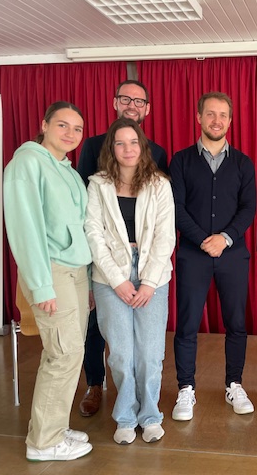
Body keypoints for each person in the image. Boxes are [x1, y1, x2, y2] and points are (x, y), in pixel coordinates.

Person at [4, 101, 93, 461]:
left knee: (69, 353)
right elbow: (26, 230)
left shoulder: (68, 170)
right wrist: (42, 287)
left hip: (75, 273)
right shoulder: (26, 163)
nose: (70, 134)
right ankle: (43, 443)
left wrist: (85, 278)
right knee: (64, 353)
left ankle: (54, 426)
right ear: (44, 125)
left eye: (77, 129)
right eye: (62, 125)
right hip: (51, 270)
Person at [76, 80, 168, 417]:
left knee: (146, 347)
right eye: (126, 99)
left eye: (139, 100)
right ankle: (96, 385)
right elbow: (85, 211)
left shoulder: (157, 155)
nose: (132, 104)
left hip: (146, 265)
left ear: (147, 109)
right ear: (115, 102)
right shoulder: (92, 147)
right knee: (101, 333)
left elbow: (161, 224)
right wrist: (98, 273)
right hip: (103, 261)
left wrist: (150, 276)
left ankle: (145, 408)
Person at [169, 91, 256, 421]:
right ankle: (185, 389)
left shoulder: (243, 163)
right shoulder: (181, 161)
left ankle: (234, 384)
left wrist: (225, 238)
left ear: (230, 121)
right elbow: (175, 208)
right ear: (199, 117)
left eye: (223, 115)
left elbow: (249, 208)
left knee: (236, 324)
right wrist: (204, 240)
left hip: (233, 256)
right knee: (188, 325)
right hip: (193, 255)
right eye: (210, 114)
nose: (216, 120)